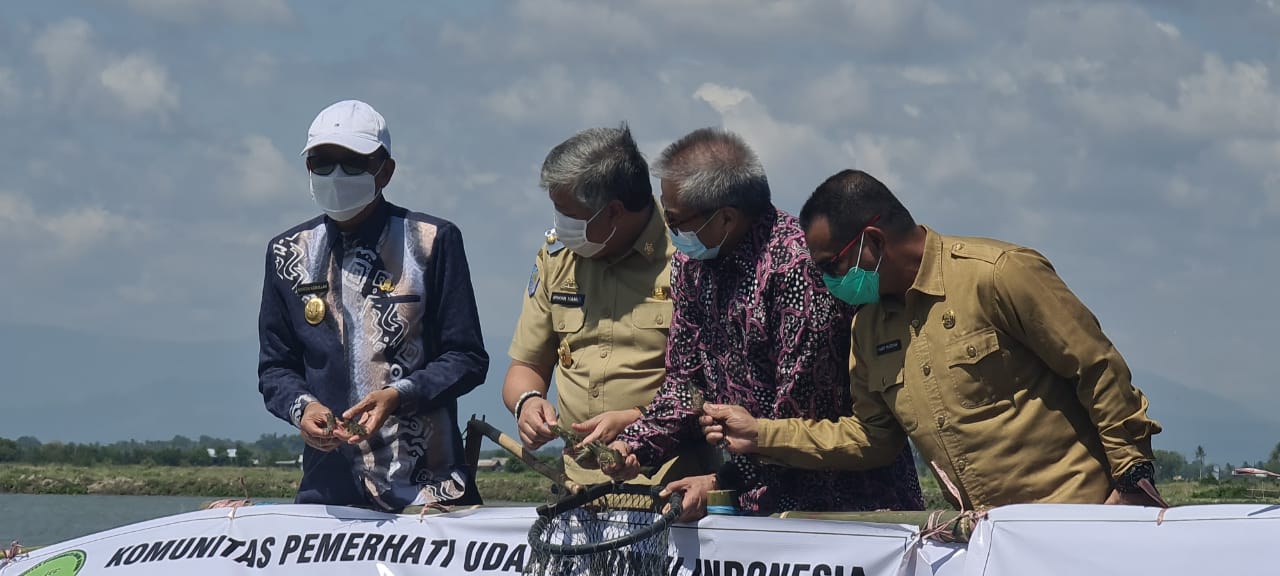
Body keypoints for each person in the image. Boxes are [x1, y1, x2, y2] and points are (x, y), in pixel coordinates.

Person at [701, 169, 1165, 509]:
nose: (824, 281)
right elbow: (872, 437)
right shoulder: (869, 327)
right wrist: (762, 434)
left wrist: (1129, 483)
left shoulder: (999, 275)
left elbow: (1097, 368)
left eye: (829, 266)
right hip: (992, 542)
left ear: (873, 243)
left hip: (1082, 518)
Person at [602, 129, 924, 521]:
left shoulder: (797, 268)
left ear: (725, 218)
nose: (669, 229)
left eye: (675, 219)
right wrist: (635, 446)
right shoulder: (691, 269)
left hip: (841, 505)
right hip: (750, 502)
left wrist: (720, 481)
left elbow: (798, 416)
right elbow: (685, 385)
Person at [258, 100, 489, 512]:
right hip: (327, 494)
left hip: (427, 491)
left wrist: (399, 395)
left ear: (385, 171)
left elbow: (467, 357)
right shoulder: (286, 253)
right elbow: (276, 368)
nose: (336, 175)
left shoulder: (433, 241)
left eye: (352, 163)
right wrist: (303, 408)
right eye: (322, 162)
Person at [503, 125, 713, 487]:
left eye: (567, 214)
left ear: (613, 212)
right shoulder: (557, 259)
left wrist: (637, 419)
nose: (560, 225)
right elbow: (525, 366)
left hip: (670, 487)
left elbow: (717, 386)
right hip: (576, 489)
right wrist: (527, 402)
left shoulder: (689, 256)